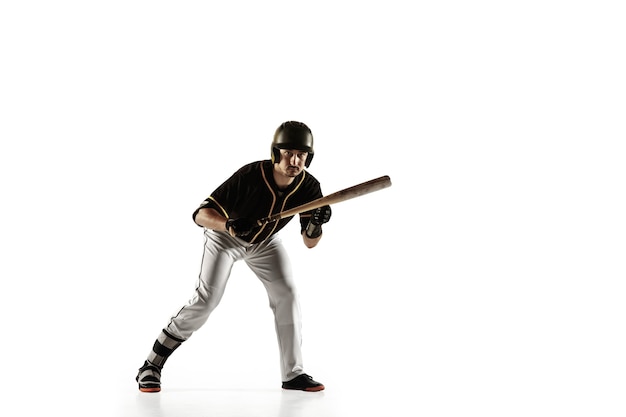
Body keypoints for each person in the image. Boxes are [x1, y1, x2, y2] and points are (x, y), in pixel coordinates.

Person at [136, 121, 332, 393]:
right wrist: (228, 225)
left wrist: (316, 226)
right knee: (207, 300)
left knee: (287, 294)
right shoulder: (251, 175)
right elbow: (200, 214)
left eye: (301, 154)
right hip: (225, 238)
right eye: (288, 152)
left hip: (265, 242)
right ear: (276, 153)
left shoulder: (310, 186)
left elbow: (310, 243)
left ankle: (293, 374)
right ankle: (151, 365)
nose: (295, 160)